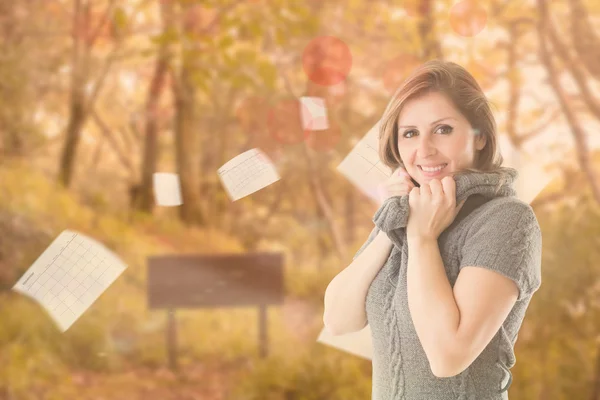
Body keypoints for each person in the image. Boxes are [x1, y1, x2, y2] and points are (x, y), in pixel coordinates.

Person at [323, 60, 542, 400]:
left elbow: (447, 356)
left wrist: (422, 238)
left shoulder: (507, 220)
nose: (423, 150)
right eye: (409, 133)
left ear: (480, 136)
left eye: (442, 129)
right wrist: (391, 222)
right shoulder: (407, 212)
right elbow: (339, 320)